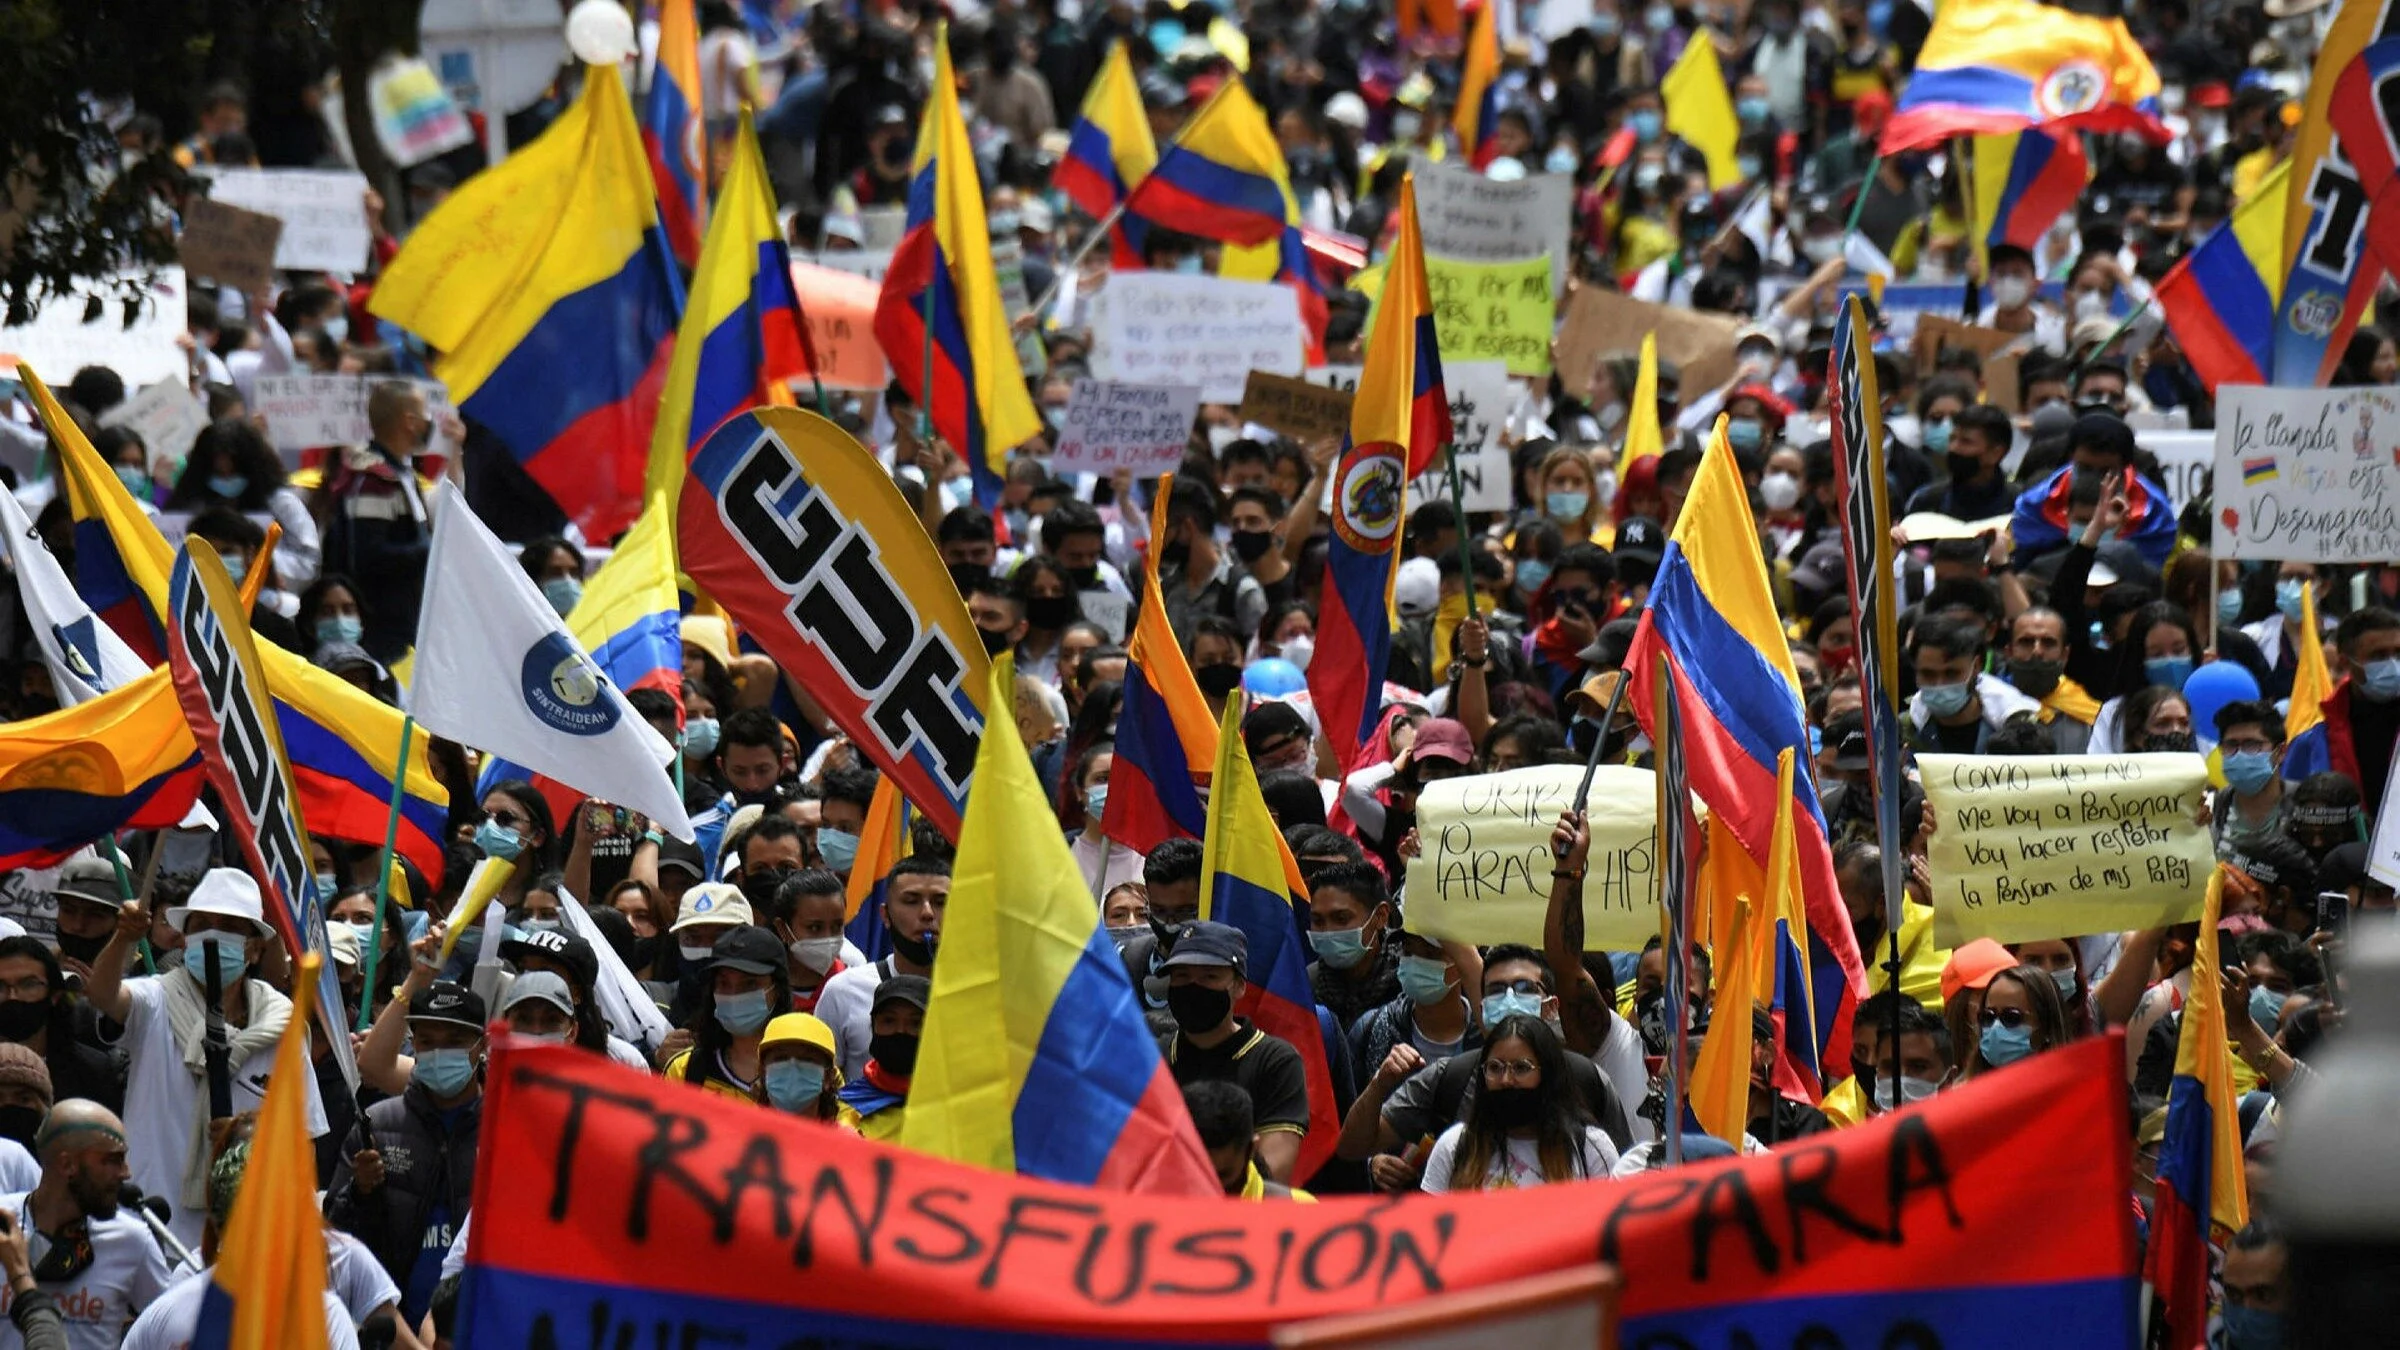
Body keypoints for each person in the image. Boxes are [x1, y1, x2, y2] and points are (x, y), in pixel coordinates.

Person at [83, 870, 316, 1251]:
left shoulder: (284, 1024)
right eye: (202, 924)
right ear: (185, 938)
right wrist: (123, 938)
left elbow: (302, 1134)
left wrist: (247, 1134)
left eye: (228, 927)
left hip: (245, 1233)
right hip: (153, 1224)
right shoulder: (154, 1000)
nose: (212, 934)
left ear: (254, 948)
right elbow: (103, 994)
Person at [326, 981, 485, 1324]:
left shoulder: (505, 1134)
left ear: (480, 1045)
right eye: (427, 1041)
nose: (439, 1053)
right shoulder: (376, 1126)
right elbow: (335, 1240)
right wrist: (359, 1191)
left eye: (455, 1042)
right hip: (390, 1331)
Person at [0, 1101, 171, 1350]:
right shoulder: (4, 1222)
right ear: (67, 1164)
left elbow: (171, 1325)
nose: (126, 1173)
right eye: (113, 1160)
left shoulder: (132, 1239)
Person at [1157, 922, 1310, 1181]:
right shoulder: (1152, 1059)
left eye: (1209, 977)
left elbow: (1275, 1169)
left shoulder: (1275, 1060)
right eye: (1182, 976)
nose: (1194, 988)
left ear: (1239, 986)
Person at [1420, 1015, 1618, 1191]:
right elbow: (1431, 1228)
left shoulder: (1590, 1147)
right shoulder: (1454, 1145)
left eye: (1521, 1068)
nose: (1506, 1079)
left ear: (1547, 1074)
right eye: (1495, 1068)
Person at [317, 380, 436, 661]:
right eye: (424, 413)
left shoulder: (402, 475)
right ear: (409, 421)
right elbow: (370, 556)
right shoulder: (375, 482)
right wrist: (433, 550)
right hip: (383, 630)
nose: (429, 421)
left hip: (407, 624)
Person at [814, 857, 948, 1078]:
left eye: (940, 902)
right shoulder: (843, 991)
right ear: (885, 915)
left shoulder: (980, 992)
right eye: (911, 901)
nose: (927, 913)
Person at [2281, 607, 2400, 818]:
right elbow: (2290, 817)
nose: (2392, 664)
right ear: (2346, 662)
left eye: (2398, 653)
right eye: (2378, 656)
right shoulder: (2313, 743)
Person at [664, 926, 790, 1103]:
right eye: (723, 983)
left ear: (777, 989)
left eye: (750, 984)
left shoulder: (809, 1068)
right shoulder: (684, 1070)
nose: (734, 994)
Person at [0, 939, 120, 1114]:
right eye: (0, 986)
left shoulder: (91, 1071)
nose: (12, 996)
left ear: (54, 995)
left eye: (29, 985)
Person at [1303, 863, 1400, 1032]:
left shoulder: (1406, 982)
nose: (1328, 931)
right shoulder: (1307, 984)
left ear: (1380, 916)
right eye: (1318, 921)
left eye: (1341, 919)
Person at [1184, 1082, 1313, 1201]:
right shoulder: (1164, 1208)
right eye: (1201, 1175)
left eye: (1223, 1176)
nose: (1213, 1191)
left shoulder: (1302, 1211)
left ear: (1251, 1149)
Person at [835, 975, 925, 1142]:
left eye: (915, 1023)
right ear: (873, 1026)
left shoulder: (957, 1107)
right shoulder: (842, 1108)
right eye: (889, 1020)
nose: (901, 1031)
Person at [757, 1013, 853, 1126]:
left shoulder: (847, 1141)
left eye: (806, 1059)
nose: (793, 1067)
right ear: (763, 1071)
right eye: (781, 1058)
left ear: (828, 1077)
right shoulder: (739, 1135)